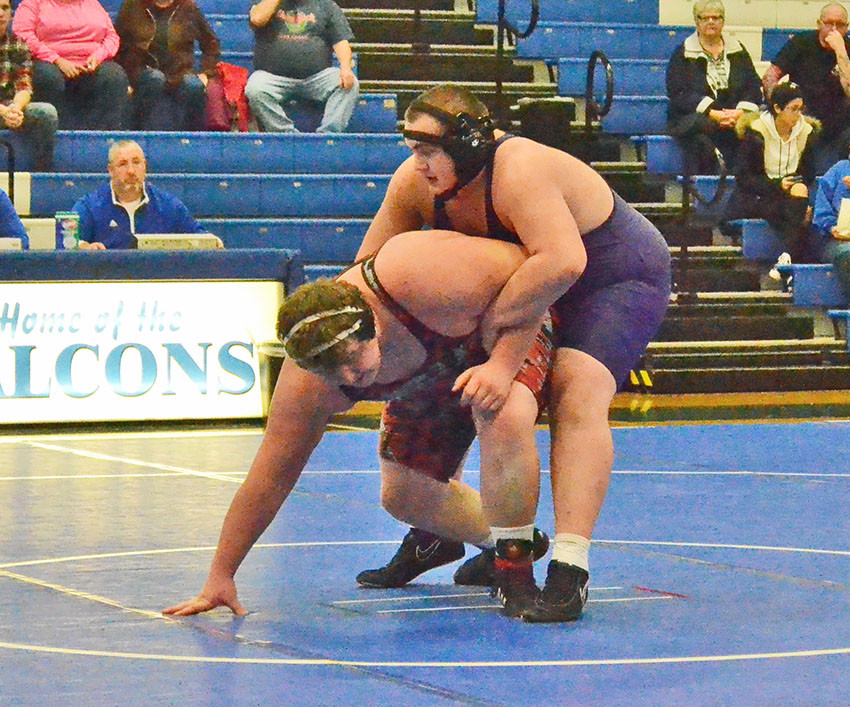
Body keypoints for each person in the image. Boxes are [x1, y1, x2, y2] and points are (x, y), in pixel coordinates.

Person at [353, 83, 672, 622]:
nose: (419, 165)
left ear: (471, 144)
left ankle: (569, 568)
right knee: (453, 391)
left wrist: (497, 341)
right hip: (525, 281)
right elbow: (369, 269)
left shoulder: (517, 167)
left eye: (429, 151)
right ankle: (439, 534)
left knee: (575, 393)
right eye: (413, 150)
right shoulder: (414, 182)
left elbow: (563, 263)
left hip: (610, 274)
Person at [164, 229, 557, 620]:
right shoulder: (308, 383)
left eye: (353, 360)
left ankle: (515, 565)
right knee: (404, 496)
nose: (351, 378)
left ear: (371, 320)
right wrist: (221, 574)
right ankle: (475, 540)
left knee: (502, 412)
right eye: (334, 374)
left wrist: (502, 363)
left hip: (509, 324)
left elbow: (538, 267)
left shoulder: (418, 274)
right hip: (432, 373)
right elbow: (271, 475)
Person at [727, 82, 821, 276]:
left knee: (801, 191)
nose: (799, 115)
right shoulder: (756, 132)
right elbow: (743, 177)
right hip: (757, 194)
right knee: (802, 216)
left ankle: (787, 257)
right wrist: (777, 185)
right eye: (793, 109)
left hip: (789, 193)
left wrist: (791, 182)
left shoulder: (806, 132)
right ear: (777, 108)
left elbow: (809, 172)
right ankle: (789, 261)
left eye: (801, 109)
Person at [665, 0, 762, 174]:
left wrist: (739, 112)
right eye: (705, 18)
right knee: (702, 135)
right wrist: (713, 113)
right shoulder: (683, 54)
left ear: (723, 21)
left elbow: (753, 86)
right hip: (696, 117)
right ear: (697, 21)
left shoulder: (738, 51)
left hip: (734, 115)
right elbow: (678, 92)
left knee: (753, 134)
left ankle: (745, 184)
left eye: (716, 18)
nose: (711, 22)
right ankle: (707, 186)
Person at [244, 0, 359, 133]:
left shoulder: (327, 5)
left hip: (317, 78)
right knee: (254, 88)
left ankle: (328, 134)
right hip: (273, 77)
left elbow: (341, 42)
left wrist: (345, 68)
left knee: (350, 84)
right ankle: (284, 133)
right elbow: (257, 19)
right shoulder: (266, 3)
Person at [12, 0, 129, 130]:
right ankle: (58, 135)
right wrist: (56, 59)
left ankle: (101, 138)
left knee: (115, 76)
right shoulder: (32, 4)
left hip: (90, 66)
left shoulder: (93, 4)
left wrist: (98, 57)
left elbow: (112, 36)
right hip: (48, 62)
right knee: (48, 77)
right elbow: (23, 35)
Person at [72, 139, 206, 250]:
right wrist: (85, 247)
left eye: (136, 163)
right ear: (111, 170)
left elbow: (199, 237)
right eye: (123, 164)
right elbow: (66, 240)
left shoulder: (169, 205)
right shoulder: (89, 206)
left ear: (145, 166)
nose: (131, 171)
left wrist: (212, 241)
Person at [763, 3, 850, 172]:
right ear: (819, 24)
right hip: (803, 116)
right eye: (828, 23)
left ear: (847, 27)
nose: (833, 29)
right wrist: (779, 109)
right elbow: (770, 77)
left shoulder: (847, 48)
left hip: (841, 119)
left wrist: (840, 52)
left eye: (839, 24)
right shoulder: (801, 43)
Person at [115, 0, 221, 131]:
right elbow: (117, 43)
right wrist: (124, 80)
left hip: (180, 72)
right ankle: (136, 132)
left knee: (195, 86)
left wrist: (206, 72)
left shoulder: (189, 8)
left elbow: (211, 43)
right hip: (142, 73)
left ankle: (191, 140)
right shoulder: (132, 6)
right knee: (155, 78)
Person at [0, 0, 58, 171]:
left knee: (46, 113)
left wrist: (16, 109)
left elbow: (24, 85)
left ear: (11, 13)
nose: (1, 13)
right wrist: (5, 113)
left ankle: (42, 173)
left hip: (10, 108)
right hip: (4, 111)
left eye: (5, 8)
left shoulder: (18, 43)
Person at [812, 143, 850, 297]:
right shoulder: (838, 171)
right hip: (838, 240)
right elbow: (821, 214)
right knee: (847, 254)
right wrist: (832, 228)